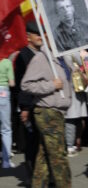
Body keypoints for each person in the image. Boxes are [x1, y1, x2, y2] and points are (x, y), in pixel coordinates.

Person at [21, 36, 72, 188]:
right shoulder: (41, 58)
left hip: (57, 112)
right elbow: (26, 85)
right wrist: (50, 85)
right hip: (47, 111)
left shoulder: (63, 58)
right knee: (58, 156)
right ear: (48, 38)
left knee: (44, 156)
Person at [14, 21, 42, 179]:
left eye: (41, 33)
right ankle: (32, 177)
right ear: (28, 37)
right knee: (31, 143)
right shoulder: (23, 55)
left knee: (42, 143)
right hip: (30, 106)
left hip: (44, 105)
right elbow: (21, 84)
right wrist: (24, 107)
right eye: (36, 33)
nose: (40, 36)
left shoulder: (44, 52)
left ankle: (44, 176)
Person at [0, 56, 15, 168]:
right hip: (3, 93)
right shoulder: (6, 62)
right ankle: (6, 161)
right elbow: (12, 83)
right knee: (6, 129)